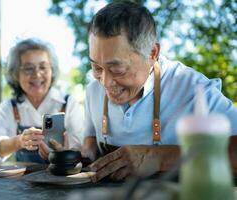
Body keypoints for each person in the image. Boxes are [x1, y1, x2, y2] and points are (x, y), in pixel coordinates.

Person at [81, 1, 237, 182]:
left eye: (117, 68)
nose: (105, 83)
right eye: (96, 67)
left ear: (152, 53)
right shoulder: (93, 90)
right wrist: (80, 152)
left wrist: (159, 157)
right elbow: (90, 139)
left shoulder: (193, 89)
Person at [0, 38, 83, 163]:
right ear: (16, 74)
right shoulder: (10, 106)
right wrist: (18, 141)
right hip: (23, 181)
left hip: (62, 179)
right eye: (28, 68)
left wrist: (62, 155)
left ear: (52, 71)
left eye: (43, 67)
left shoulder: (68, 103)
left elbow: (80, 150)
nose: (37, 74)